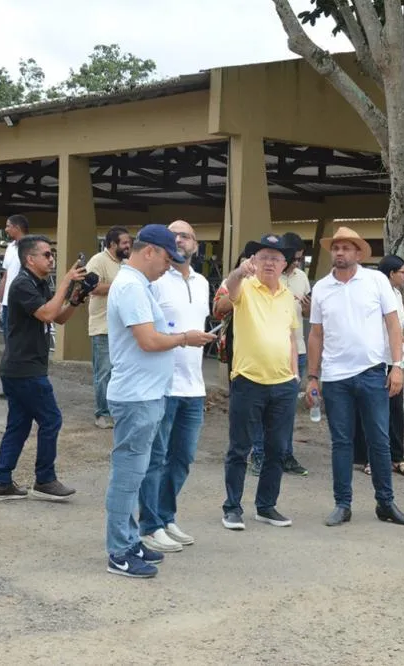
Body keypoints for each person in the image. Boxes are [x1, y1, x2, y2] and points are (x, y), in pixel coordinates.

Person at [103, 225, 214, 578]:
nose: (169, 266)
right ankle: (119, 552)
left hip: (146, 393)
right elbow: (148, 341)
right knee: (128, 476)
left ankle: (129, 540)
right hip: (137, 396)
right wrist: (184, 338)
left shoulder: (138, 284)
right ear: (149, 251)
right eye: (167, 258)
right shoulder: (132, 286)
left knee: (135, 474)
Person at [306, 227, 404, 528]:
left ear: (358, 253)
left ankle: (386, 503)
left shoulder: (375, 281)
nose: (340, 252)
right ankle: (343, 504)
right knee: (342, 442)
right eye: (336, 248)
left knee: (379, 440)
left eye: (346, 248)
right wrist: (312, 377)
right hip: (335, 377)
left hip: (372, 372)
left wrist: (397, 366)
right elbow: (316, 334)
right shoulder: (322, 288)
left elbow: (393, 325)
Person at [0, 235, 88, 503]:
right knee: (51, 419)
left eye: (52, 254)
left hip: (22, 368)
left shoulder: (38, 284)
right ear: (30, 259)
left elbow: (58, 318)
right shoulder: (22, 284)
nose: (52, 259)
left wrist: (75, 300)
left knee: (18, 425)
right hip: (24, 368)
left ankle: (2, 483)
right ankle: (44, 480)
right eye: (47, 254)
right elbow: (46, 314)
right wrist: (66, 282)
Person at [138, 220, 210, 553]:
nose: (179, 240)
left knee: (182, 459)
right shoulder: (155, 280)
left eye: (185, 235)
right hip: (163, 385)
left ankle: (165, 517)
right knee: (156, 459)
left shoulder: (203, 283)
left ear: (196, 244)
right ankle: (149, 525)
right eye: (173, 235)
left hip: (194, 387)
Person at [221, 234, 299, 532]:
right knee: (239, 448)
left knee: (276, 449)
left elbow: (291, 337)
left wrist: (295, 374)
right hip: (248, 380)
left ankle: (266, 506)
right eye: (263, 257)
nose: (269, 263)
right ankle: (232, 507)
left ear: (284, 264)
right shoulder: (245, 287)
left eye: (275, 258)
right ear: (254, 261)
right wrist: (239, 272)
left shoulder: (288, 296)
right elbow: (229, 292)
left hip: (283, 384)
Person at [248, 231, 311, 477]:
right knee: (261, 408)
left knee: (286, 410)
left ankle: (285, 454)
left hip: (297, 349)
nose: (297, 262)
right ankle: (259, 454)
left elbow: (304, 314)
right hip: (266, 352)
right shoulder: (263, 275)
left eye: (299, 258)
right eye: (295, 257)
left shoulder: (301, 278)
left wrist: (307, 309)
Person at [353, 255, 404, 477]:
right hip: (375, 360)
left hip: (394, 359)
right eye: (402, 272)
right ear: (391, 273)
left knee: (395, 410)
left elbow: (397, 324)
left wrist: (401, 341)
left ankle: (397, 457)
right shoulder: (373, 294)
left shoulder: (397, 294)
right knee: (373, 412)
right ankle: (369, 458)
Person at [85, 225, 132, 429]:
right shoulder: (98, 261)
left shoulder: (127, 264)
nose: (128, 246)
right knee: (104, 372)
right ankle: (102, 414)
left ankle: (117, 411)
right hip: (103, 327)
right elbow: (91, 287)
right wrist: (120, 286)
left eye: (129, 243)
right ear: (113, 244)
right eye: (125, 243)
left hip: (124, 328)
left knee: (121, 372)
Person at [0, 215, 29, 400]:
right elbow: (6, 277)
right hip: (7, 304)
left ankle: (22, 387)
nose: (6, 230)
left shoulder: (31, 247)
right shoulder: (10, 248)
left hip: (22, 305)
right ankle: (10, 387)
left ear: (17, 227)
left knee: (20, 345)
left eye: (8, 226)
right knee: (9, 346)